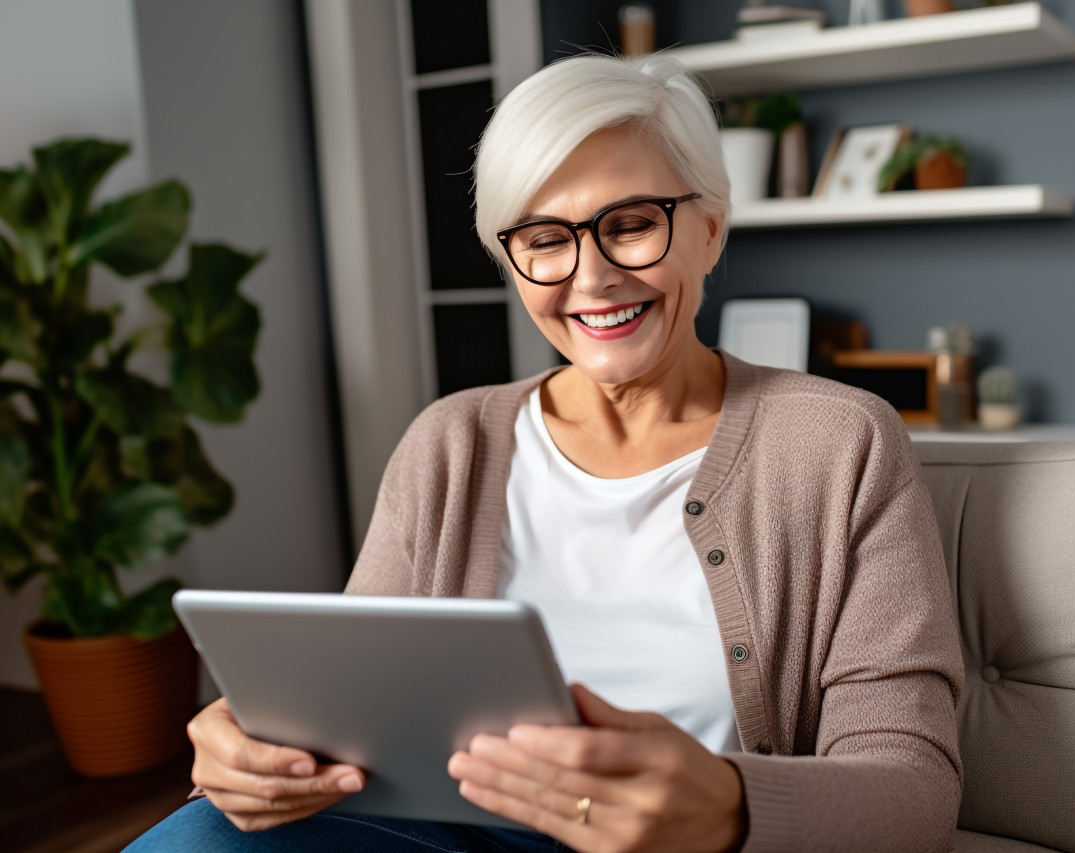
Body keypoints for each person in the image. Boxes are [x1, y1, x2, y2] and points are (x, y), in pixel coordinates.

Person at [127, 53, 963, 853]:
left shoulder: (841, 440)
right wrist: (250, 756)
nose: (590, 278)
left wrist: (725, 805)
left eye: (631, 225)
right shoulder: (450, 442)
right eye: (544, 239)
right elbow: (350, 718)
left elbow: (913, 790)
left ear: (710, 230)